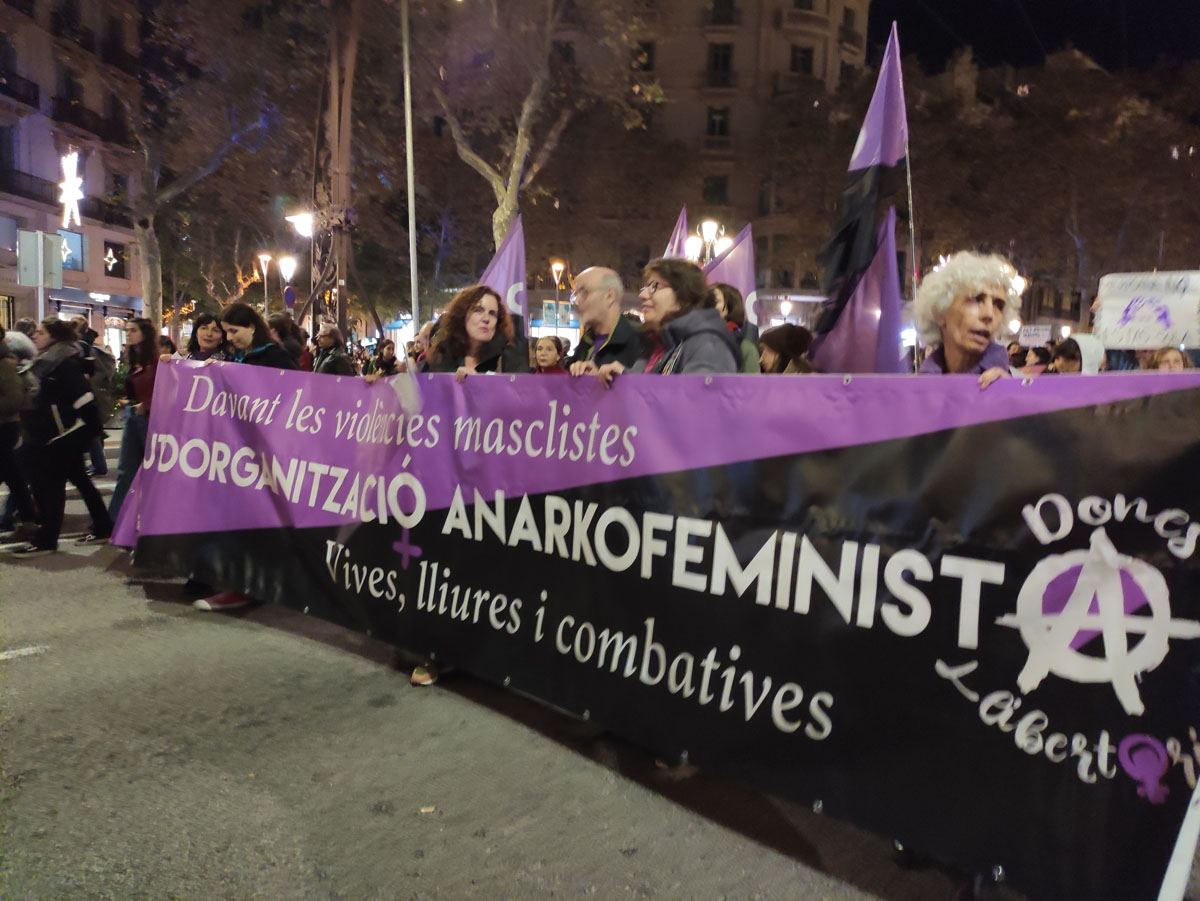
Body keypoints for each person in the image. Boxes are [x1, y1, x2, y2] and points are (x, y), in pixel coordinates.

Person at [5, 318, 111, 557]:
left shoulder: (63, 364)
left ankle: (47, 540)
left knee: (49, 487)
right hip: (56, 433)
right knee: (80, 481)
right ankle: (103, 526)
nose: (35, 336)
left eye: (41, 332)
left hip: (62, 435)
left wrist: (88, 430)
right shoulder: (47, 362)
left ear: (54, 336)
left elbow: (83, 400)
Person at [586, 259, 739, 387]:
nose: (642, 295)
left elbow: (695, 410)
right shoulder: (657, 343)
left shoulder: (708, 346)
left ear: (684, 296)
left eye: (655, 286)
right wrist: (603, 381)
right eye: (646, 286)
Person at [912, 251, 1018, 388]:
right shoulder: (912, 392)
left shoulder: (1024, 390)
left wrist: (1014, 400)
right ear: (940, 312)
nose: (989, 314)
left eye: (998, 305)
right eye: (976, 299)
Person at [107, 318, 159, 524]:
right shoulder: (132, 357)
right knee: (127, 470)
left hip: (149, 420)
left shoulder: (155, 359)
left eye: (133, 330)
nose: (128, 334)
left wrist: (146, 405)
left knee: (154, 471)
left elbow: (165, 388)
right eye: (127, 330)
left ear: (144, 333)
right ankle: (114, 520)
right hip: (133, 417)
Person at [425, 285, 529, 380]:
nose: (486, 319)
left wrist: (478, 382)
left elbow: (517, 395)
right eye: (478, 310)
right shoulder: (441, 357)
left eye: (492, 314)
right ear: (462, 315)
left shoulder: (509, 358)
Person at [566, 267, 642, 374]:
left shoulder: (640, 339)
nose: (577, 302)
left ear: (610, 296)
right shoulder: (586, 342)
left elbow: (650, 388)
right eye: (575, 295)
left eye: (584, 293)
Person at [0, 322, 36, 540]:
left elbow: (13, 398)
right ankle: (26, 517)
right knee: (13, 475)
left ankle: (26, 518)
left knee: (13, 474)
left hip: (5, 426)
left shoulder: (5, 363)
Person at [710, 282, 761, 373]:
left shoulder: (745, 346)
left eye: (715, 301)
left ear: (729, 306)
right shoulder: (696, 341)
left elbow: (752, 385)